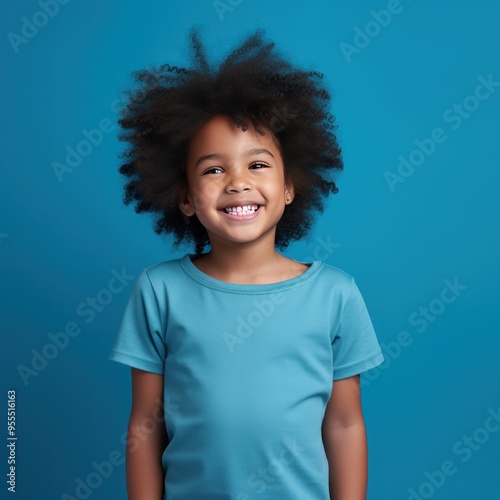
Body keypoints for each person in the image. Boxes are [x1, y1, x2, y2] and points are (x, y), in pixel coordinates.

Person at [109, 27, 384, 500]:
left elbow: (343, 423)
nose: (237, 182)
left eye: (257, 165)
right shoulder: (159, 292)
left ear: (291, 185)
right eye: (213, 169)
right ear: (185, 198)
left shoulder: (336, 295)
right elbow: (145, 426)